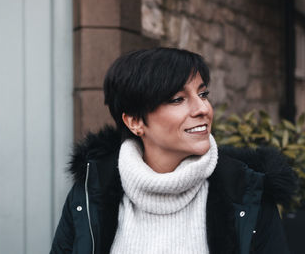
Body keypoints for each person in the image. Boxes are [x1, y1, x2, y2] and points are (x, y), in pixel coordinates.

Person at [50, 48, 297, 254]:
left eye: (203, 93)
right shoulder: (90, 192)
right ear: (135, 121)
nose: (202, 108)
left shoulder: (246, 192)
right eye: (178, 99)